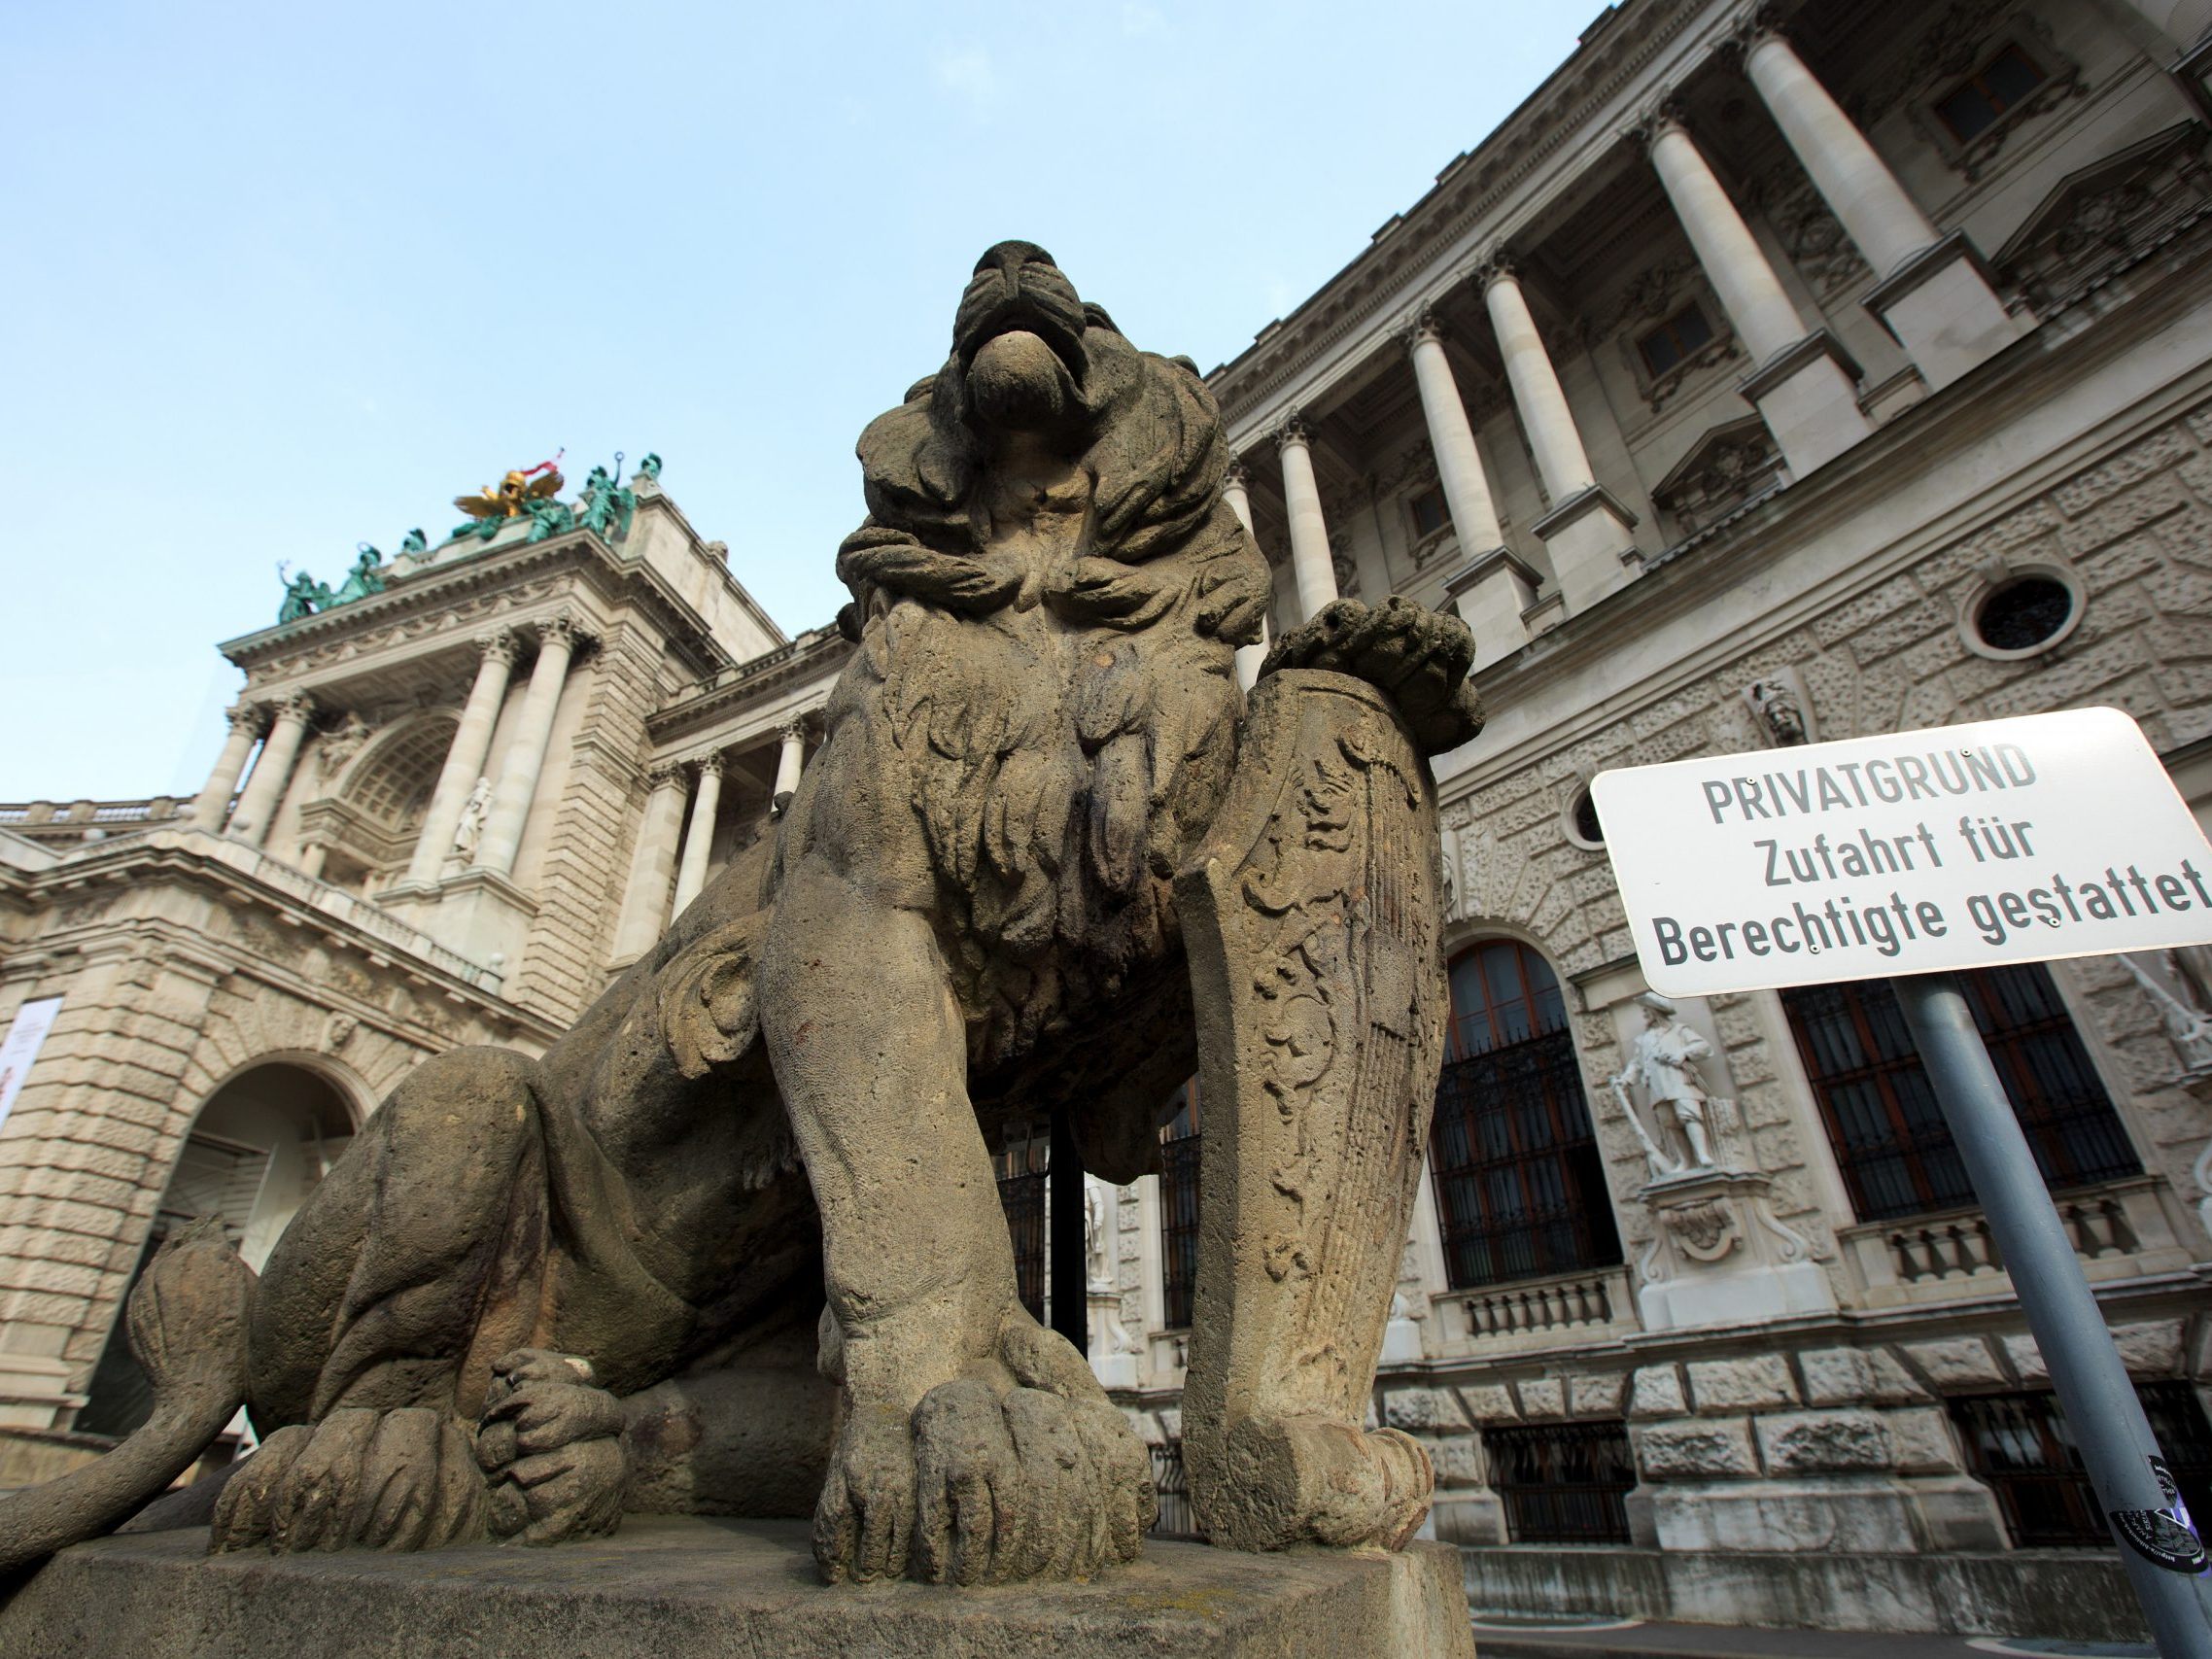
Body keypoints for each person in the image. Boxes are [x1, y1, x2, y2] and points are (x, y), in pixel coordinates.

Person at [1612, 991, 1715, 1169]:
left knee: (1689, 1115)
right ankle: (1685, 1161)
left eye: (1646, 1010)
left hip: (1679, 1081)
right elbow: (1636, 1063)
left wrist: (1682, 1053)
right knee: (1670, 1122)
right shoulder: (1644, 1039)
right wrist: (1625, 1080)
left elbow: (1703, 1047)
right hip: (1657, 1086)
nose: (1644, 1014)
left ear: (1655, 1011)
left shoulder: (1679, 1030)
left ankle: (1702, 1154)